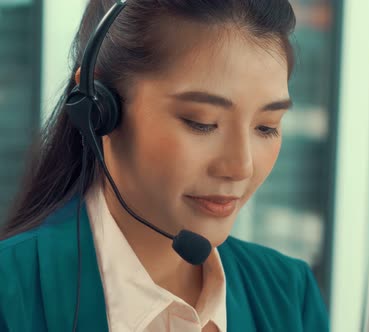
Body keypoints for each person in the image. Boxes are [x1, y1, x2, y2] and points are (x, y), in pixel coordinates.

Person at [0, 1, 329, 331]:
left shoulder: (289, 296)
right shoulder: (11, 299)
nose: (240, 167)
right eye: (201, 122)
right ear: (98, 108)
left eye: (267, 126)